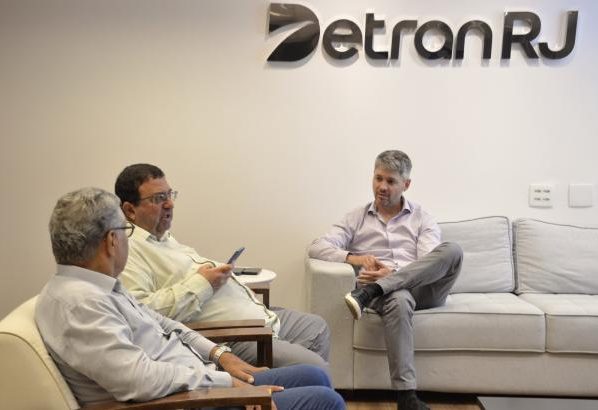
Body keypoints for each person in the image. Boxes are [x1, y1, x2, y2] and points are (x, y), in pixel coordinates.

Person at [35, 187, 345, 410]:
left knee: (314, 375)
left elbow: (163, 323)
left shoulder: (100, 287)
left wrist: (220, 356)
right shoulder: (79, 304)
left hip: (201, 381)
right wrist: (226, 384)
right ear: (111, 241)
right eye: (125, 232)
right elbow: (137, 380)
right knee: (325, 401)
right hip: (187, 401)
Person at [114, 164, 330, 371]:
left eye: (170, 195)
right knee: (314, 368)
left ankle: (283, 385)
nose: (170, 204)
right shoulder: (130, 249)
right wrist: (203, 283)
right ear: (130, 210)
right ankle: (276, 383)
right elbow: (143, 314)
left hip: (257, 320)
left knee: (316, 327)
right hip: (230, 337)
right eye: (158, 198)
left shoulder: (162, 238)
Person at [308, 150, 463, 410]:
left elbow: (428, 262)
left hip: (423, 289)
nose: (382, 186)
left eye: (391, 181)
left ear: (406, 184)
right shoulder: (356, 217)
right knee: (399, 299)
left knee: (453, 250)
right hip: (392, 296)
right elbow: (316, 247)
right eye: (378, 178)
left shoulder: (422, 218)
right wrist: (355, 258)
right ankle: (406, 397)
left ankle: (374, 290)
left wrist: (391, 274)